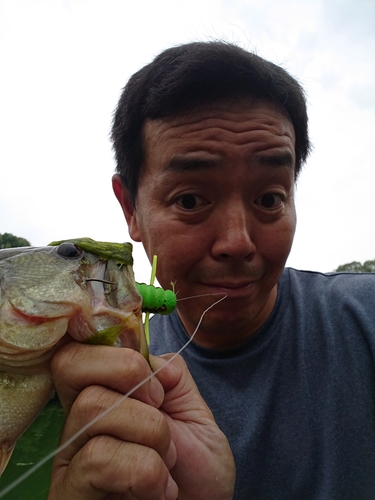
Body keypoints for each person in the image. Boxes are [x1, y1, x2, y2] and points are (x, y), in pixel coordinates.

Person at [49, 41, 375, 499]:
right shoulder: (89, 378)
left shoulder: (367, 320)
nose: (237, 242)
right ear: (131, 211)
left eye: (268, 199)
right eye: (190, 200)